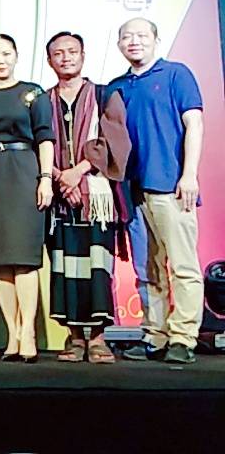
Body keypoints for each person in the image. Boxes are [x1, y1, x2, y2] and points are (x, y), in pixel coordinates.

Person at [109, 18, 204, 365]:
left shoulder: (177, 74)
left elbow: (194, 124)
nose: (134, 41)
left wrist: (189, 174)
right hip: (132, 191)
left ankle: (183, 337)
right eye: (127, 36)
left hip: (171, 186)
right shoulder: (117, 86)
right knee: (147, 269)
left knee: (182, 266)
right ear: (119, 44)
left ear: (155, 39)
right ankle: (155, 335)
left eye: (141, 35)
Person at [0, 33, 54, 363]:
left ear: (16, 56)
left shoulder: (33, 94)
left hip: (24, 173)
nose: (1, 60)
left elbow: (45, 138)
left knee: (24, 257)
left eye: (6, 54)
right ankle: (12, 333)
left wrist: (46, 178)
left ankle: (28, 330)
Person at [45, 31, 130, 364]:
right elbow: (38, 143)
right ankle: (74, 337)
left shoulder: (104, 95)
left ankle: (98, 338)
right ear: (49, 60)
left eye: (72, 51)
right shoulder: (43, 100)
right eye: (58, 53)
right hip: (59, 195)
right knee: (65, 266)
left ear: (83, 55)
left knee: (97, 266)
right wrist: (59, 177)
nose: (66, 57)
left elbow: (114, 141)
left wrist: (77, 172)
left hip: (96, 196)